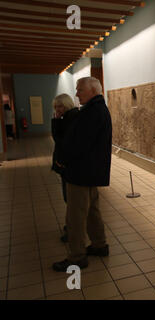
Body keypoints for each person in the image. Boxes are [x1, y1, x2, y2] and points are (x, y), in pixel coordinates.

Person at [53, 77, 112, 272]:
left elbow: (78, 143)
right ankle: (99, 244)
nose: (76, 93)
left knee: (75, 215)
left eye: (80, 90)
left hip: (81, 171)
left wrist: (63, 160)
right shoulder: (96, 109)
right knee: (92, 210)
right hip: (90, 170)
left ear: (93, 90)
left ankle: (77, 256)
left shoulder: (91, 113)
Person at [50, 94, 79, 243]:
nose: (57, 109)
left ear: (66, 105)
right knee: (68, 199)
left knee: (71, 200)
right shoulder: (67, 118)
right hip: (66, 166)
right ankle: (71, 226)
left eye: (60, 106)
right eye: (55, 106)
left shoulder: (71, 119)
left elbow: (60, 141)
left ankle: (73, 230)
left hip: (69, 166)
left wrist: (55, 122)